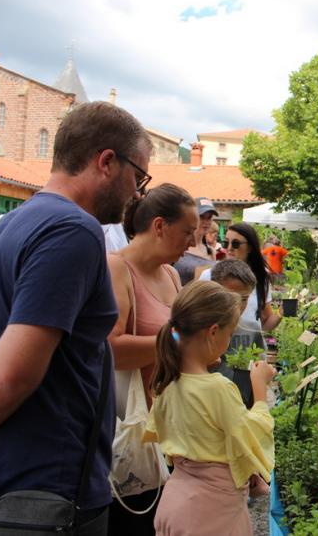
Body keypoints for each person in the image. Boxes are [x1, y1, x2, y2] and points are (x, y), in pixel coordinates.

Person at [0, 101, 151, 533]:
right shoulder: (72, 230)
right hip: (47, 494)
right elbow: (10, 376)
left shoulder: (10, 226)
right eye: (138, 176)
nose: (137, 193)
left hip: (24, 484)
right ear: (106, 162)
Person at [144, 281, 275, 535]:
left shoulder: (165, 382)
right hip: (211, 510)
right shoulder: (217, 388)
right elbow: (247, 437)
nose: (229, 340)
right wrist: (259, 390)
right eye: (230, 334)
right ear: (213, 332)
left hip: (177, 499)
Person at [107, 183, 197, 534]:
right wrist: (178, 341)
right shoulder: (116, 268)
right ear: (160, 226)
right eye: (187, 232)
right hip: (133, 428)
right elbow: (111, 348)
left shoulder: (172, 274)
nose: (192, 242)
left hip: (168, 432)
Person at [201, 223, 281, 333]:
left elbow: (263, 326)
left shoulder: (261, 279)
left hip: (248, 349)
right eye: (226, 243)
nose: (229, 248)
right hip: (216, 347)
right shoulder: (208, 275)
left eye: (235, 244)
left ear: (250, 248)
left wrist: (281, 313)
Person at [210, 260, 260, 365]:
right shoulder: (198, 329)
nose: (237, 305)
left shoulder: (252, 329)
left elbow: (259, 362)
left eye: (244, 299)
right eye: (230, 297)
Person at [173, 197, 217, 285]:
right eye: (202, 217)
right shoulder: (178, 245)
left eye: (209, 218)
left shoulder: (211, 251)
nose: (206, 222)